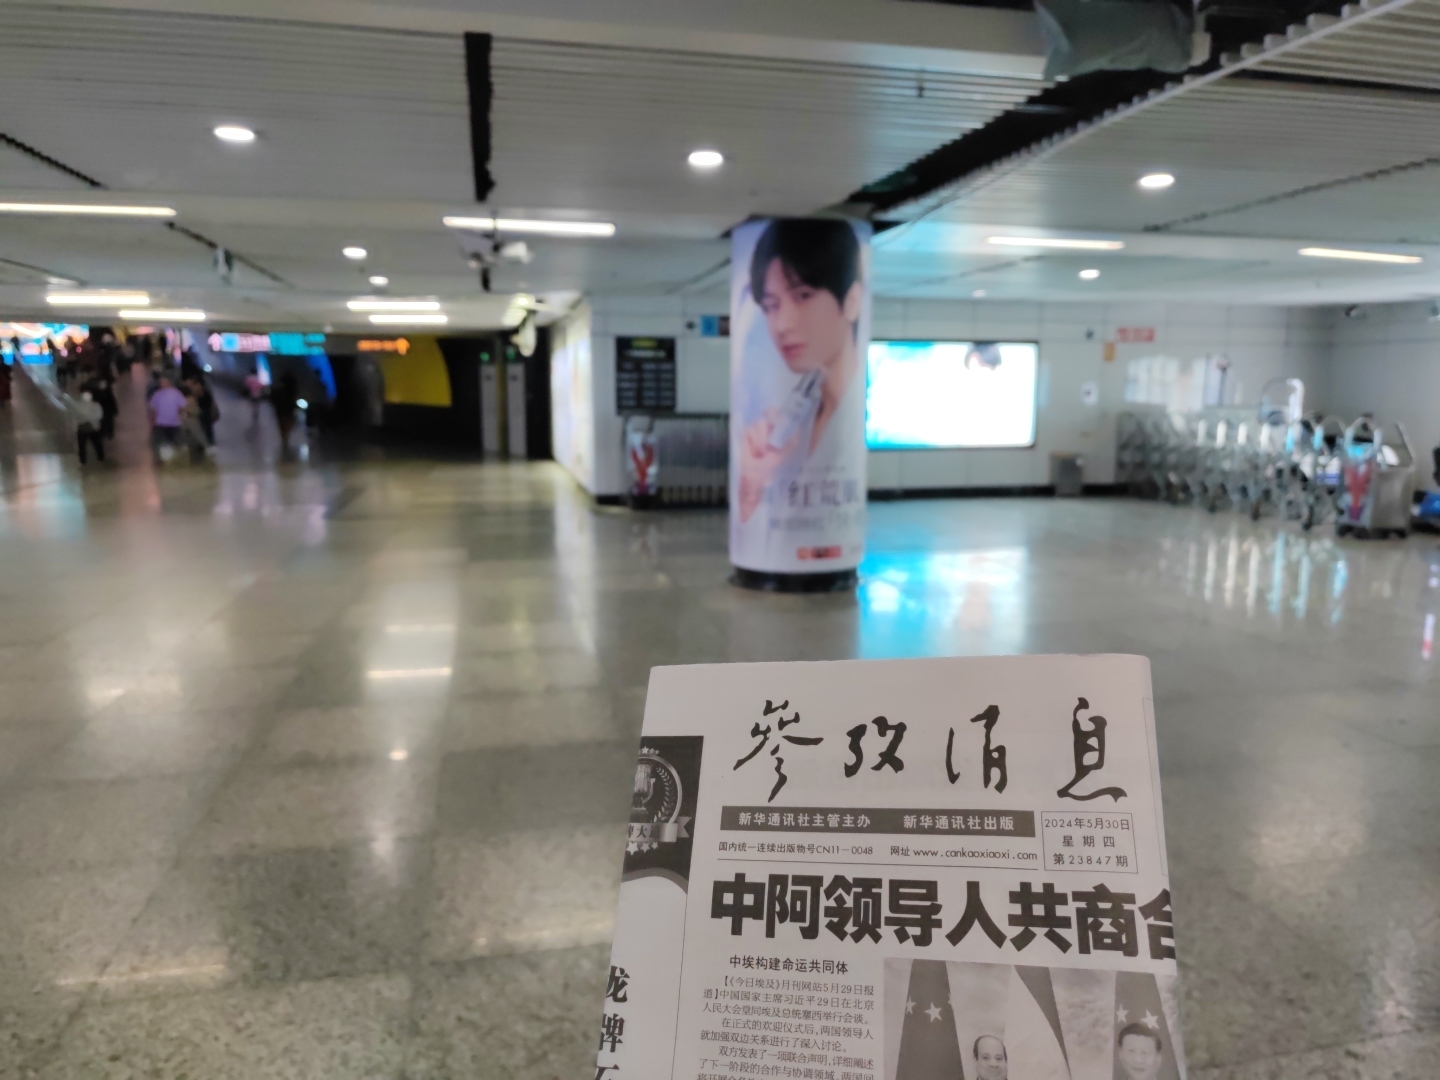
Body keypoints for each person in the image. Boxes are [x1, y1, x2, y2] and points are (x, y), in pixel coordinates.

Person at [735, 218, 864, 524]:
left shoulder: (861, 414)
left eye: (803, 296)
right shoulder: (795, 421)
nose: (782, 325)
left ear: (851, 301)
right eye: (771, 306)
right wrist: (754, 484)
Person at [148, 373, 187, 463]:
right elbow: (153, 410)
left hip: (172, 423)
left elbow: (182, 407)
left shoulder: (175, 393)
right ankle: (161, 459)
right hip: (161, 423)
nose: (161, 384)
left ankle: (173, 458)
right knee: (157, 442)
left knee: (176, 442)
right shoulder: (157, 394)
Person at [82, 372, 118, 441]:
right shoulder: (104, 388)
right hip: (106, 407)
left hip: (103, 407)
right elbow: (111, 398)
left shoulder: (92, 389)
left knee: (104, 420)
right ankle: (108, 432)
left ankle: (105, 433)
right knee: (107, 420)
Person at [270, 371, 299, 455]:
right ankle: (285, 440)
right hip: (287, 411)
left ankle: (284, 441)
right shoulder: (292, 391)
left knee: (282, 425)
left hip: (281, 411)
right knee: (286, 425)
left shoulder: (279, 391)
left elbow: (273, 400)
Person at [74, 391, 105, 465]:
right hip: (93, 428)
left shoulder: (79, 406)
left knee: (82, 445)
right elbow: (99, 415)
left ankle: (83, 459)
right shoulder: (96, 405)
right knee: (97, 443)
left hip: (83, 428)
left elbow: (76, 417)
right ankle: (100, 456)